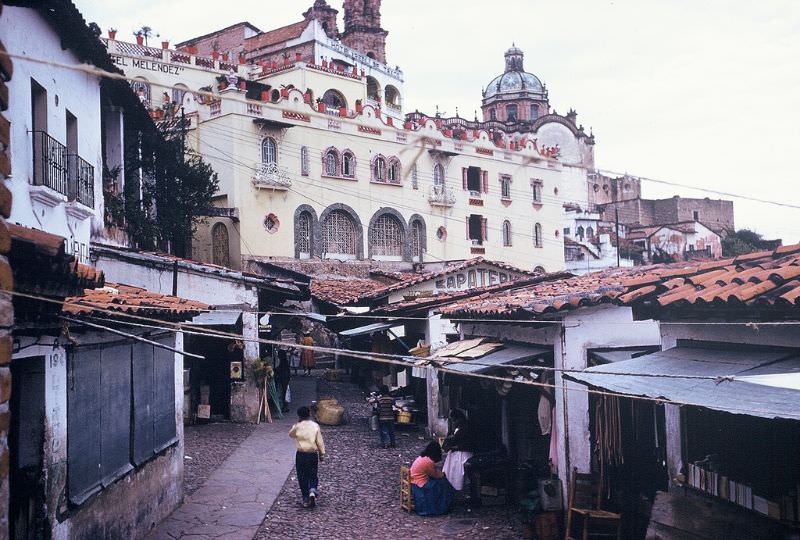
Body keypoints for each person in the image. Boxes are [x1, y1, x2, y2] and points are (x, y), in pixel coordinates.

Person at [288, 406, 326, 508]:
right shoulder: (315, 426)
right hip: (312, 454)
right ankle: (312, 489)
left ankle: (305, 498)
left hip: (301, 454)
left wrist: (297, 424)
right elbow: (319, 442)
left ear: (299, 415)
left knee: (302, 475)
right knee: (313, 473)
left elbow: (291, 434)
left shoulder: (297, 426)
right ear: (309, 414)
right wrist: (322, 454)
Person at [410, 441, 454, 516]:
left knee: (441, 483)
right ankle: (442, 507)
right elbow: (435, 475)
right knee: (444, 484)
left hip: (415, 480)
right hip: (419, 484)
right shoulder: (428, 462)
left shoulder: (422, 457)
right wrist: (443, 474)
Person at [441, 409, 475, 492]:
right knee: (450, 470)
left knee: (457, 470)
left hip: (463, 452)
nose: (453, 422)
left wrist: (454, 446)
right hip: (455, 452)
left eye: (454, 420)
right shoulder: (456, 427)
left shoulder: (466, 428)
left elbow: (467, 444)